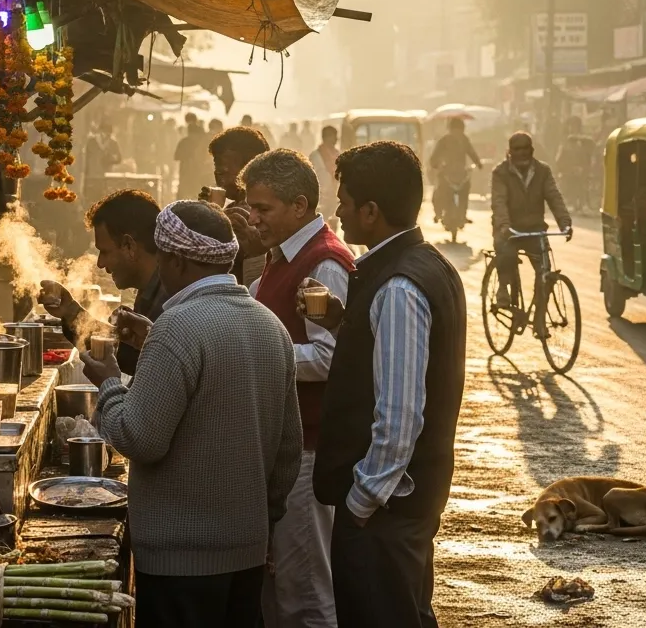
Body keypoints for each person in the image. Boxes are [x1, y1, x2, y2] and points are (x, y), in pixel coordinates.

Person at [80, 200, 302, 628]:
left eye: (162, 257)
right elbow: (287, 453)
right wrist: (258, 522)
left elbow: (139, 438)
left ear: (178, 260)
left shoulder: (178, 326)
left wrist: (108, 383)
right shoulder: (270, 326)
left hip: (180, 561)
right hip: (246, 551)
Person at [311, 140, 467, 628]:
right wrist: (346, 320)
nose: (337, 211)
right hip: (402, 506)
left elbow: (400, 415)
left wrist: (362, 500)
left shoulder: (400, 285)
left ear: (372, 211)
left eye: (345, 200)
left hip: (385, 510)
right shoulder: (424, 265)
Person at [240, 150, 355, 628]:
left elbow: (329, 358)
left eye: (263, 209)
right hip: (289, 445)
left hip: (309, 448)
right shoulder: (283, 255)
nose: (253, 218)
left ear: (300, 206)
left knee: (306, 591)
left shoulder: (324, 262)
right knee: (284, 584)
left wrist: (259, 356)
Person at [40, 189, 165, 377]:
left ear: (128, 245)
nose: (100, 263)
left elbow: (134, 360)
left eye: (105, 252)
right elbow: (127, 350)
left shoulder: (169, 299)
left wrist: (108, 383)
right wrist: (70, 311)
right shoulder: (150, 291)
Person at [490, 132, 572, 312]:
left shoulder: (543, 171)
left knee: (546, 273)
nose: (521, 153)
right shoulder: (500, 173)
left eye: (525, 148)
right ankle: (503, 287)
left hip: (535, 229)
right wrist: (504, 225)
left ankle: (540, 317)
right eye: (517, 149)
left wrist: (564, 222)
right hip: (509, 229)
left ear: (532, 150)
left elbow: (554, 197)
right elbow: (499, 202)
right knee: (505, 254)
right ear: (509, 151)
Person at [207, 126, 272, 285]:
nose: (218, 172)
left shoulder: (243, 216)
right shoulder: (231, 209)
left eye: (222, 164)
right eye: (216, 165)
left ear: (248, 168)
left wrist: (212, 218)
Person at [429, 117, 481, 224]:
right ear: (451, 129)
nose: (457, 132)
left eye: (459, 129)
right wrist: (436, 164)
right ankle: (438, 213)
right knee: (438, 191)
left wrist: (478, 163)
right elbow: (434, 156)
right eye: (455, 129)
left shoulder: (464, 140)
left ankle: (463, 214)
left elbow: (471, 153)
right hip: (446, 173)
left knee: (465, 192)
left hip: (461, 173)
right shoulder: (444, 141)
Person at [309, 126, 342, 232]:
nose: (336, 139)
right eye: (334, 136)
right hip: (320, 199)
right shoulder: (315, 156)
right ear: (325, 137)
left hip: (335, 198)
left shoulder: (338, 155)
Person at [174, 113, 213, 199]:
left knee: (185, 195)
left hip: (187, 173)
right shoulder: (201, 143)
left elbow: (176, 157)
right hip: (196, 173)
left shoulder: (184, 141)